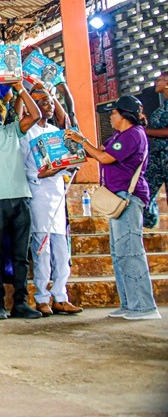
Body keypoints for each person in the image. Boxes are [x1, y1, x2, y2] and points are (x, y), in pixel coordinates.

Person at [66, 96, 160, 320]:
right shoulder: (120, 136)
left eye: (114, 112)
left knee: (131, 251)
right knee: (120, 253)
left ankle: (144, 306)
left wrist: (81, 140)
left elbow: (104, 157)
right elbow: (97, 151)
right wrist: (77, 143)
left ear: (125, 115)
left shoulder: (133, 134)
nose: (111, 116)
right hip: (118, 197)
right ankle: (129, 303)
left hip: (128, 197)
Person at [0, 79, 44, 320]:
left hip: (21, 198)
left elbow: (35, 115)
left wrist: (20, 88)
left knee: (20, 256)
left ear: (2, 112)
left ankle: (21, 302)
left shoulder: (12, 129)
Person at [20, 85, 84, 316]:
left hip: (57, 191)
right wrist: (40, 175)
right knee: (42, 248)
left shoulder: (56, 132)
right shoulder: (27, 133)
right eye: (43, 102)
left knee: (61, 249)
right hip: (39, 193)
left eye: (50, 102)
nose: (48, 106)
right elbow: (23, 167)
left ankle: (60, 295)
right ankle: (41, 297)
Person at [144, 72, 168, 227]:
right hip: (160, 154)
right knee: (146, 186)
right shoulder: (164, 104)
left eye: (159, 79)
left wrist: (146, 132)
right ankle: (149, 219)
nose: (155, 82)